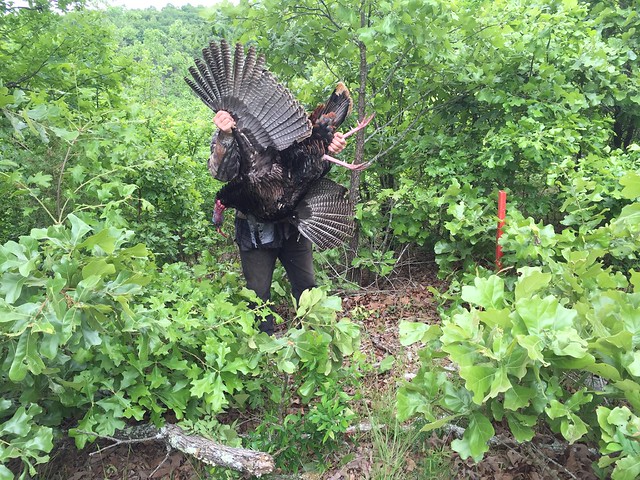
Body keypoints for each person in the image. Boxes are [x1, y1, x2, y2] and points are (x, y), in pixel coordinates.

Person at [208, 110, 347, 335]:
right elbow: (220, 174)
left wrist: (329, 147)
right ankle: (264, 347)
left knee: (307, 287)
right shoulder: (232, 123)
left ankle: (312, 341)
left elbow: (310, 167)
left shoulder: (290, 119)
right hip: (255, 228)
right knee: (257, 295)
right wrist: (225, 136)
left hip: (295, 221)